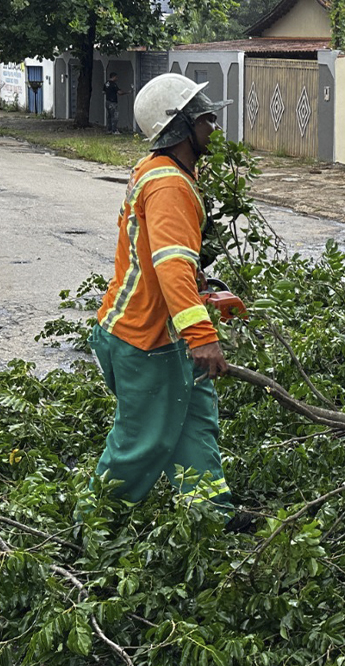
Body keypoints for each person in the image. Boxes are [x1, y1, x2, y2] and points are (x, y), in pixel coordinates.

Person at [89, 73, 246, 526]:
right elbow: (169, 266)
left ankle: (210, 514)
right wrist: (201, 335)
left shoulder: (159, 171)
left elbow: (165, 260)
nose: (213, 128)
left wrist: (203, 292)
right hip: (144, 339)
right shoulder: (170, 187)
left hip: (162, 332)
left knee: (195, 421)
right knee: (142, 442)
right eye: (206, 119)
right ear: (181, 128)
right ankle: (94, 528)